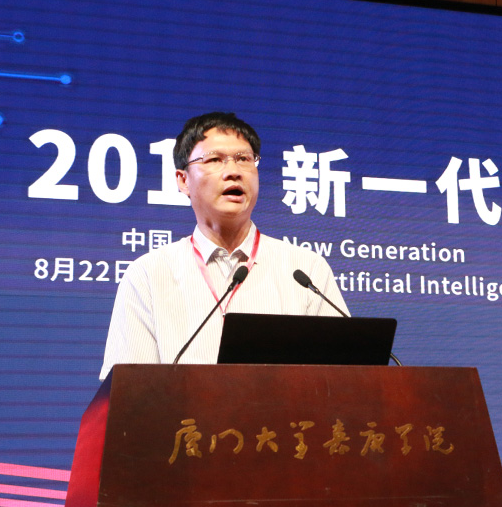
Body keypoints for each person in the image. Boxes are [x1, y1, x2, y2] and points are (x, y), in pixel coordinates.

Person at [99, 112, 348, 379]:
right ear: (183, 180)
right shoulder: (148, 275)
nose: (233, 172)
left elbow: (345, 376)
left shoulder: (306, 269)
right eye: (215, 160)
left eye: (244, 159)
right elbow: (129, 388)